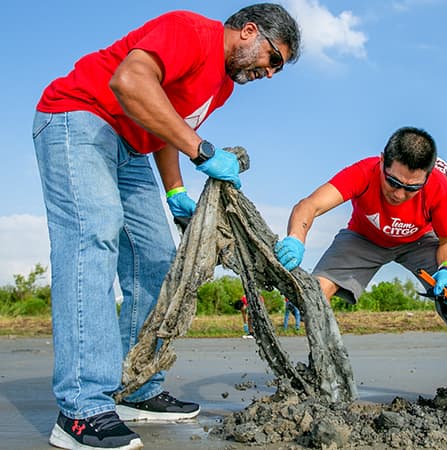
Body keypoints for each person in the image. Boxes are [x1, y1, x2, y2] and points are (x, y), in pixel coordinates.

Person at [32, 4, 300, 449]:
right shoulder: (190, 31)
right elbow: (130, 83)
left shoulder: (222, 88)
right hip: (80, 119)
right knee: (93, 241)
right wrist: (203, 151)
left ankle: (135, 386)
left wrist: (176, 193)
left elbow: (166, 126)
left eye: (279, 69)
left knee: (157, 260)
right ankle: (81, 409)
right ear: (249, 31)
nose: (271, 73)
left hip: (133, 148)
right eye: (273, 59)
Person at [274, 126, 447, 395]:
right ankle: (322, 370)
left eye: (411, 188)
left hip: (419, 241)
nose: (399, 194)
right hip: (365, 238)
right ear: (383, 162)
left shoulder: (439, 186)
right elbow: (309, 205)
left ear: (426, 177)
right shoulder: (364, 171)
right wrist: (296, 238)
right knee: (315, 291)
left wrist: (445, 269)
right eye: (393, 183)